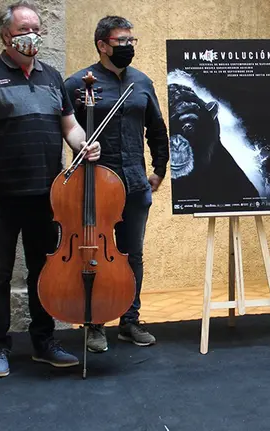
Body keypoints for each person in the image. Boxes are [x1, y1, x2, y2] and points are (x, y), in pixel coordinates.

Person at [0, 0, 101, 378]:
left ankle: (44, 341)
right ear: (5, 35)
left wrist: (84, 143)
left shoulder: (51, 76)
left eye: (36, 30)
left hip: (49, 195)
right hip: (0, 197)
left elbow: (69, 125)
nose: (31, 37)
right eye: (23, 30)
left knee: (45, 271)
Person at [63, 15, 169, 353]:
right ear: (102, 45)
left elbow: (157, 128)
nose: (127, 47)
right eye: (120, 41)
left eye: (130, 41)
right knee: (92, 253)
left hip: (136, 183)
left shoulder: (142, 83)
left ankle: (129, 320)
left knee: (130, 253)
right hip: (92, 186)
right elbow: (65, 130)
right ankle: (94, 323)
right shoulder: (78, 84)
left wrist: (159, 169)